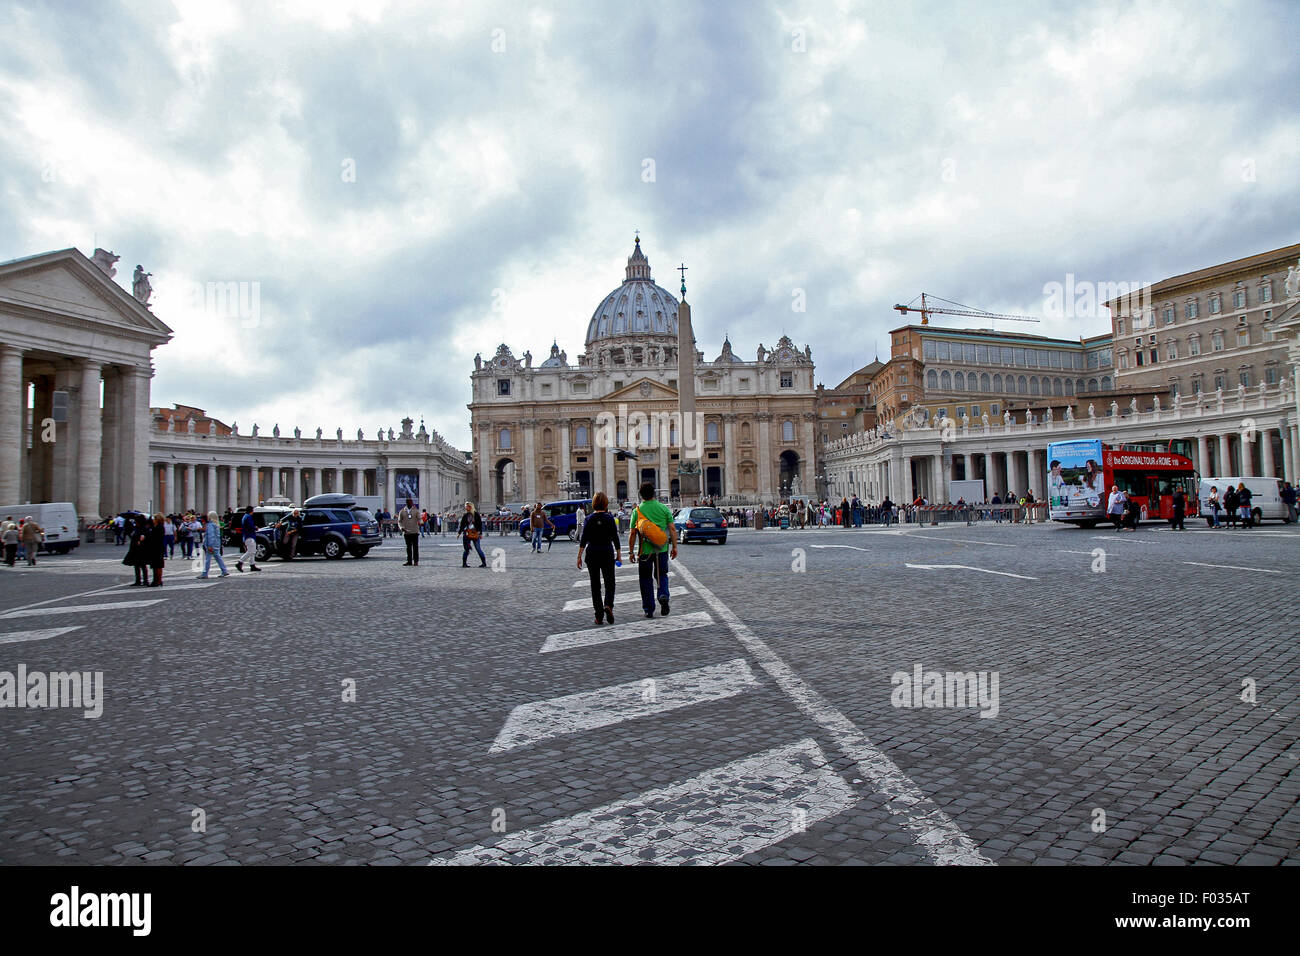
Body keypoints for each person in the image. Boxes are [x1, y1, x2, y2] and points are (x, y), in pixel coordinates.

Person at [627, 481, 677, 618]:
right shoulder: (663, 508)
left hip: (644, 552)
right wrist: (675, 546)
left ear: (641, 495)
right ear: (654, 493)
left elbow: (632, 534)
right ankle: (663, 595)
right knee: (662, 575)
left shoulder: (637, 511)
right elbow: (672, 529)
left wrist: (631, 552)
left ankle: (649, 609)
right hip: (661, 549)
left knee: (645, 579)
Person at [577, 492, 622, 626]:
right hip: (607, 552)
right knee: (610, 583)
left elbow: (583, 539)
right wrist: (618, 554)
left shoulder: (589, 519)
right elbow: (615, 538)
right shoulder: (609, 518)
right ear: (606, 503)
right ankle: (608, 604)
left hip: (592, 554)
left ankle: (599, 616)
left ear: (594, 503)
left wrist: (579, 556)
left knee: (595, 586)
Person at [198, 512, 230, 578]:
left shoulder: (210, 525)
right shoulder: (215, 525)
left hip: (212, 544)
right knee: (218, 557)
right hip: (216, 543)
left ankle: (205, 573)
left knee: (208, 559)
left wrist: (210, 545)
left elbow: (210, 536)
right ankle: (224, 571)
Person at [458, 501, 486, 567]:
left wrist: (480, 533)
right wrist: (459, 533)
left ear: (470, 507)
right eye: (465, 506)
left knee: (478, 549)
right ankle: (464, 563)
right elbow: (462, 525)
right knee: (466, 549)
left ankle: (484, 563)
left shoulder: (476, 514)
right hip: (467, 533)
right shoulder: (465, 515)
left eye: (467, 506)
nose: (465, 507)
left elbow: (479, 524)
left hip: (475, 533)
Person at [235, 505, 261, 572]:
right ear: (251, 511)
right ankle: (240, 562)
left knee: (252, 552)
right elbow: (250, 526)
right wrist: (255, 528)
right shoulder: (248, 517)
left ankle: (252, 565)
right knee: (250, 552)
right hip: (249, 536)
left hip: (247, 536)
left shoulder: (245, 517)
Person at [397, 497, 421, 566]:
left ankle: (416, 561)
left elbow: (419, 518)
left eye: (411, 502)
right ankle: (409, 561)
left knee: (415, 547)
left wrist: (421, 522)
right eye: (409, 502)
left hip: (415, 531)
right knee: (408, 547)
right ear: (406, 503)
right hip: (406, 532)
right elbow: (399, 521)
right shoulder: (402, 511)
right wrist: (401, 528)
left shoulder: (416, 511)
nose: (410, 504)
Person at [146, 512, 166, 586]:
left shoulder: (159, 527)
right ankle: (157, 580)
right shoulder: (157, 526)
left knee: (157, 565)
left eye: (154, 519)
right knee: (156, 565)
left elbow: (155, 537)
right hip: (157, 547)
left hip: (157, 548)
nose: (153, 520)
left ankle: (157, 581)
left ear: (157, 520)